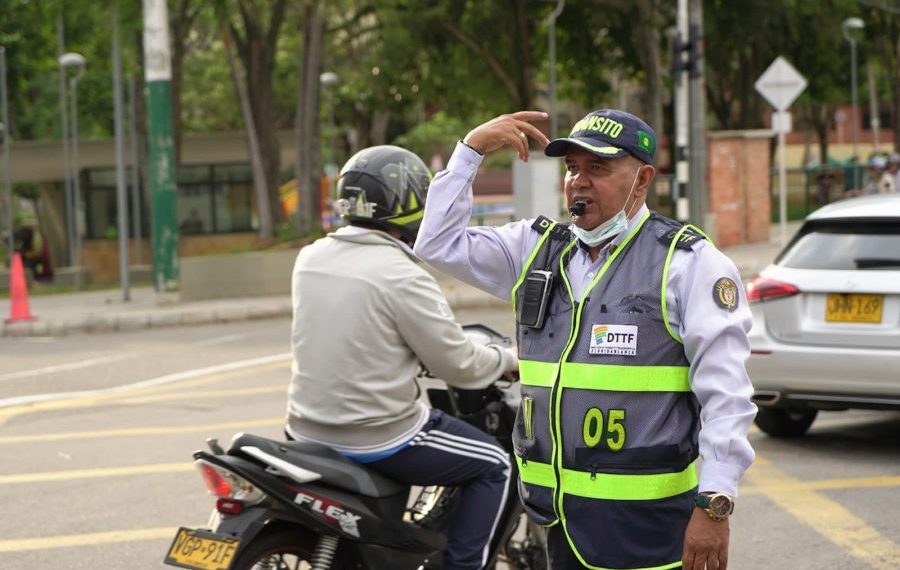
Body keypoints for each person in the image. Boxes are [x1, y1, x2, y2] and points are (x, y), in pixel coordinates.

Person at [414, 110, 757, 570]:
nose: (579, 181)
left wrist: (715, 503)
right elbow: (436, 244)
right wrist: (470, 149)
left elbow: (727, 397)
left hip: (647, 532)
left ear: (642, 179)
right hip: (555, 522)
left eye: (598, 168)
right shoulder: (536, 249)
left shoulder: (688, 263)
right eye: (573, 168)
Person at [285, 145, 519, 570]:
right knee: (497, 464)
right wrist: (506, 359)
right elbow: (460, 367)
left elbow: (356, 331)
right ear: (409, 203)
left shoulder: (310, 259)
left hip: (303, 429)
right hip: (379, 436)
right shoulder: (402, 273)